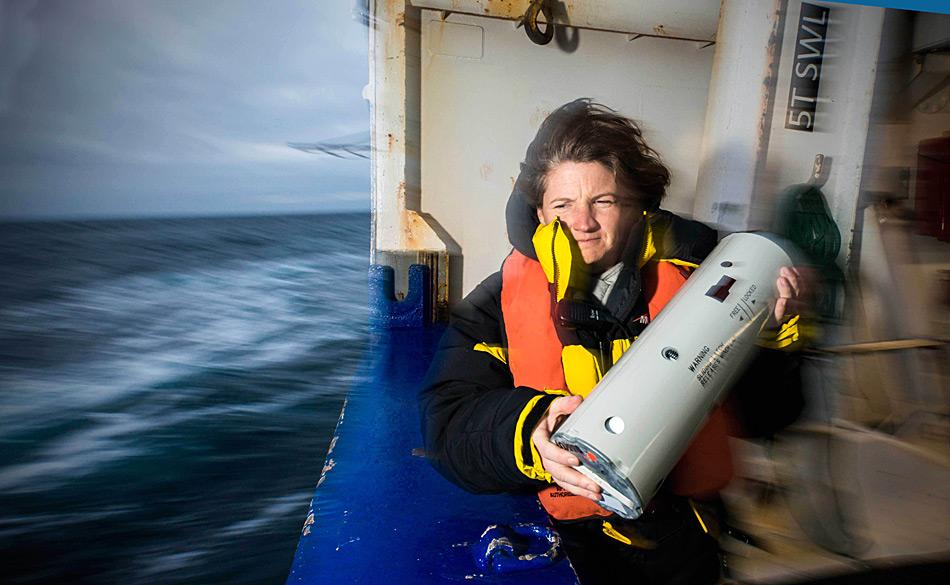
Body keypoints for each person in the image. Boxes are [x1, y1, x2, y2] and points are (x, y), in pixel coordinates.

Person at [419, 99, 804, 584]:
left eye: (603, 201)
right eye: (562, 204)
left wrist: (771, 341)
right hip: (578, 545)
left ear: (637, 204)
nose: (583, 222)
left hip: (687, 535)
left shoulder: (706, 280)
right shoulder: (498, 302)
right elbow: (447, 425)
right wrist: (528, 431)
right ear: (538, 212)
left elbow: (774, 415)